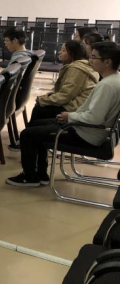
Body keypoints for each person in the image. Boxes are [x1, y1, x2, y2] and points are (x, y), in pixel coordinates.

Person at [7, 42, 120, 188]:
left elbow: (94, 118)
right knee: (35, 125)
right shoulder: (113, 80)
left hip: (86, 134)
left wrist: (69, 117)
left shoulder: (107, 85)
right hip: (86, 128)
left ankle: (30, 177)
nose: (90, 60)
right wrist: (71, 115)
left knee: (28, 134)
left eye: (93, 57)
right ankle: (40, 173)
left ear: (107, 62)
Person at [31, 40, 98, 122]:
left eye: (63, 50)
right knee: (41, 106)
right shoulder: (78, 66)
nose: (59, 52)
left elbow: (65, 95)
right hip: (76, 103)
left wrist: (42, 100)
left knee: (40, 109)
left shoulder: (76, 69)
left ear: (73, 54)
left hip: (76, 107)